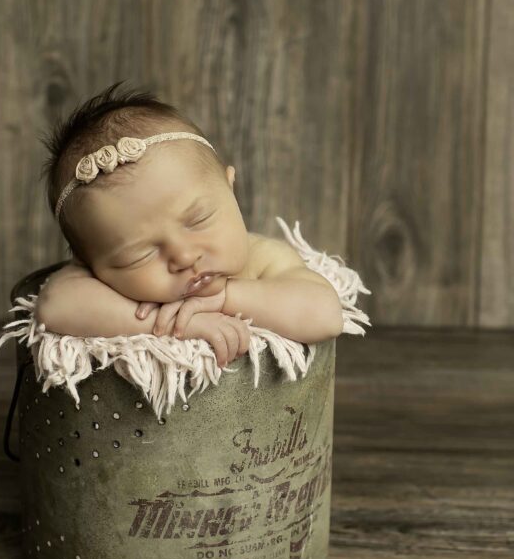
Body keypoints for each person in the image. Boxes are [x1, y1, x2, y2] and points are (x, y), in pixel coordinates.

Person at [34, 81, 343, 368]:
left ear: (229, 188)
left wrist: (224, 300)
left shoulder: (262, 258)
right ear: (88, 262)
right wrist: (167, 323)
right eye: (140, 255)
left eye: (198, 220)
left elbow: (325, 314)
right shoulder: (97, 283)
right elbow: (54, 306)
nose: (183, 257)